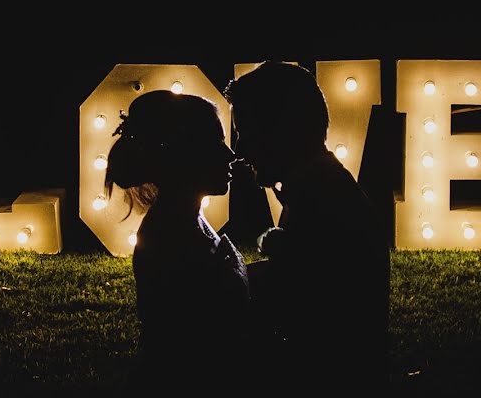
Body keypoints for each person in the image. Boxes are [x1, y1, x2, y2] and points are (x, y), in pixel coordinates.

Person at [224, 61, 391, 392]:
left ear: (284, 130)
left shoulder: (323, 207)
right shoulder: (319, 191)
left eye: (248, 132)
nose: (240, 150)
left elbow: (298, 318)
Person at [104, 90, 249, 395]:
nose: (230, 155)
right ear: (182, 153)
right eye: (215, 144)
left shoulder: (187, 218)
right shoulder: (170, 239)